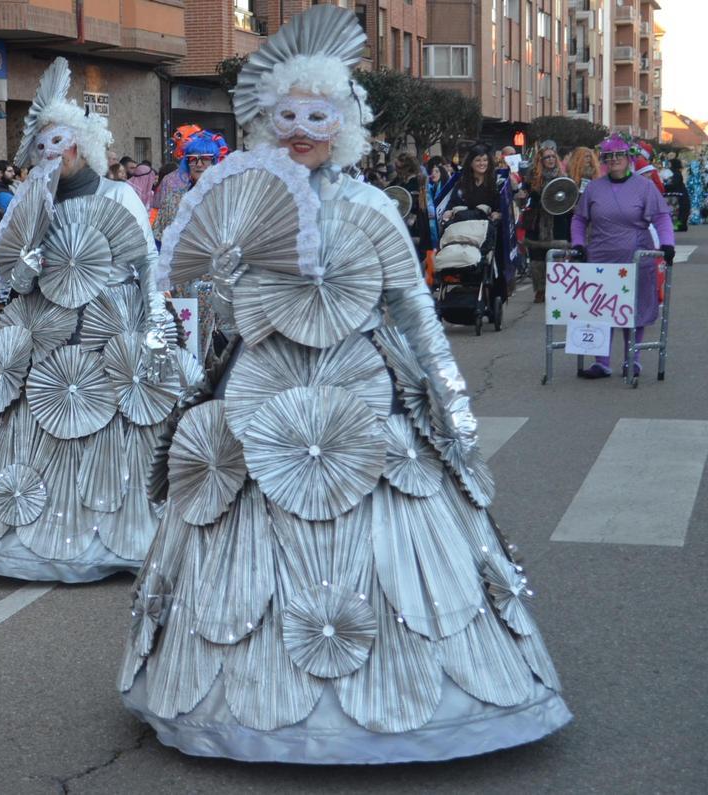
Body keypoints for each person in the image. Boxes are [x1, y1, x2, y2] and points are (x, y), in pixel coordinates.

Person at [118, 6, 569, 763]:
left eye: (317, 115)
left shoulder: (372, 208)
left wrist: (451, 404)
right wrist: (221, 282)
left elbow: (415, 309)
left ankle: (408, 697)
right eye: (286, 116)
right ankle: (243, 698)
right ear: (266, 123)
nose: (301, 130)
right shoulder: (245, 205)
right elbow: (224, 315)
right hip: (261, 395)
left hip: (363, 396)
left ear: (343, 123)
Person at [0, 55, 191, 583]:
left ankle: (116, 526)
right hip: (42, 331)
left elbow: (145, 266)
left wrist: (155, 331)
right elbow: (8, 272)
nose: (51, 154)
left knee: (112, 421)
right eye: (41, 146)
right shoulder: (27, 202)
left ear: (82, 143)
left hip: (108, 330)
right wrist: (31, 256)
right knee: (35, 414)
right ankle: (26, 525)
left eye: (60, 142)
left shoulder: (119, 196)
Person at [571, 133, 675, 379]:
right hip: (600, 258)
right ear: (604, 160)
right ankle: (602, 362)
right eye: (609, 156)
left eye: (619, 155)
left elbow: (661, 217)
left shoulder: (645, 186)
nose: (615, 160)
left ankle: (633, 359)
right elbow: (579, 219)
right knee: (600, 309)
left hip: (636, 256)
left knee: (634, 308)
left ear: (629, 158)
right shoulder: (595, 188)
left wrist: (668, 243)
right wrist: (578, 244)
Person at [520, 141, 572, 303]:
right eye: (546, 157)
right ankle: (540, 290)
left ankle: (558, 289)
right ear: (540, 160)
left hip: (558, 221)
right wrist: (521, 197)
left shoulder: (564, 177)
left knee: (558, 257)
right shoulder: (532, 178)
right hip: (537, 220)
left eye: (552, 157)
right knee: (537, 260)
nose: (550, 160)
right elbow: (523, 198)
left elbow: (570, 198)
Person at [153, 130, 227, 242]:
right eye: (193, 159)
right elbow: (159, 240)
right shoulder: (173, 199)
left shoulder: (226, 199)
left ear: (215, 162)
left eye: (205, 159)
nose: (198, 164)